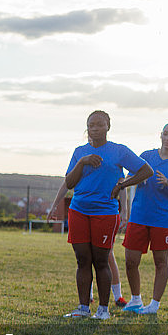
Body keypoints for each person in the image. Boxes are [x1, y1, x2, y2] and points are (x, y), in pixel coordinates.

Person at [62, 110, 153, 320]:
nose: (94, 128)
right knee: (82, 260)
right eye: (91, 125)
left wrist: (122, 184)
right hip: (78, 211)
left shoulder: (118, 151)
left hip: (105, 213)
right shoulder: (79, 152)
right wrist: (82, 161)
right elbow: (69, 183)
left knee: (101, 261)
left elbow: (146, 170)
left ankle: (103, 310)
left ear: (108, 127)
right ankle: (83, 308)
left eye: (99, 124)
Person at [122, 122, 168, 315]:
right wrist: (138, 178)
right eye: (165, 134)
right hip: (139, 216)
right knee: (130, 260)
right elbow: (129, 176)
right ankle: (135, 300)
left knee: (161, 262)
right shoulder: (147, 156)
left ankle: (154, 305)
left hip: (163, 220)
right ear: (161, 135)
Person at [48, 181, 129, 307]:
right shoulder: (80, 162)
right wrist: (55, 205)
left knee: (107, 256)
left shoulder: (113, 162)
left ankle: (117, 296)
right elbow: (68, 181)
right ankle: (88, 297)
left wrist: (124, 210)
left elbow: (121, 184)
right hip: (82, 213)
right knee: (85, 257)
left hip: (104, 214)